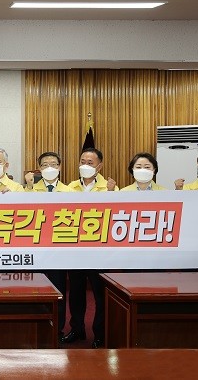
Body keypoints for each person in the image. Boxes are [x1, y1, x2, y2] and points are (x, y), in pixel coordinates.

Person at [64, 147, 117, 348]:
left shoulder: (110, 188)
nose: (85, 166)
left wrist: (111, 194)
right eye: (82, 162)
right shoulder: (70, 187)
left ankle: (100, 334)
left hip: (100, 251)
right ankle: (77, 329)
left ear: (99, 166)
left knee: (100, 295)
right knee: (76, 293)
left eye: (90, 163)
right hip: (76, 249)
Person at [24, 151, 75, 339]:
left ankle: (57, 330)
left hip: (58, 251)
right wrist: (29, 187)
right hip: (35, 250)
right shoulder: (28, 190)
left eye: (53, 164)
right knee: (35, 290)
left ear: (60, 167)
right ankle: (35, 329)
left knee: (58, 290)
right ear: (39, 168)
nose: (49, 168)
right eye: (45, 165)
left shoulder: (70, 192)